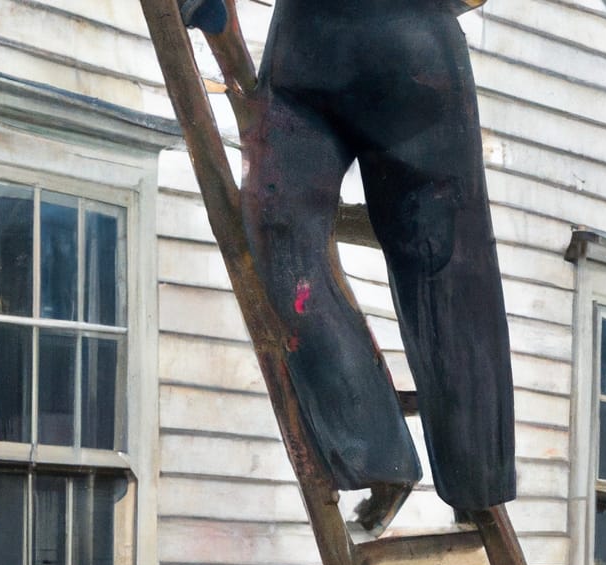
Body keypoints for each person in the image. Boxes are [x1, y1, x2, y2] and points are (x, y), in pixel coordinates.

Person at [182, 0, 516, 515]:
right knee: (279, 238)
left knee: (447, 268)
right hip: (304, 64)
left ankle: (476, 479)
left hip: (413, 61)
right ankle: (377, 454)